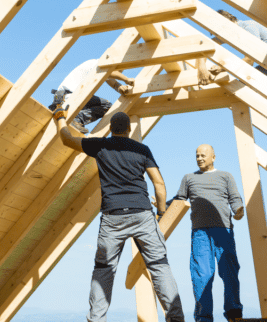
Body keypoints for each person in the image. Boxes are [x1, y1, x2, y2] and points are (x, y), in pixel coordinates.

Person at [55, 106, 185, 322]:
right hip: (142, 214)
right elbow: (159, 184)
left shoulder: (100, 145)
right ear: (129, 128)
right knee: (159, 266)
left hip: (112, 216)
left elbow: (67, 139)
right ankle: (176, 319)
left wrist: (59, 117)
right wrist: (161, 212)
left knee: (104, 270)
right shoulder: (142, 150)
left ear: (111, 128)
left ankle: (97, 319)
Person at [171, 145, 245, 322]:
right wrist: (162, 206)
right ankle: (203, 317)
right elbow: (179, 200)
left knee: (229, 273)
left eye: (203, 155)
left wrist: (238, 210)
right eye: (197, 155)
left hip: (223, 231)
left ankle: (234, 314)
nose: (199, 158)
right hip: (200, 233)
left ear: (213, 157)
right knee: (201, 275)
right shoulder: (189, 178)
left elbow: (235, 198)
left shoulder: (225, 176)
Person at [49, 59, 135, 133]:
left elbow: (110, 79)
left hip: (66, 96)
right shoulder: (97, 64)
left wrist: (118, 87)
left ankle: (77, 119)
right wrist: (126, 79)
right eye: (119, 71)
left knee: (106, 106)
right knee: (107, 106)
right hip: (70, 96)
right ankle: (78, 119)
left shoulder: (98, 67)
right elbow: (109, 72)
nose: (119, 73)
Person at [214, 10, 267, 81]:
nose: (224, 34)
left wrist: (223, 66)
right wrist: (202, 68)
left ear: (229, 22)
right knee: (244, 80)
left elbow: (250, 60)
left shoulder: (249, 28)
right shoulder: (233, 32)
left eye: (224, 30)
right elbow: (209, 43)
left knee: (246, 80)